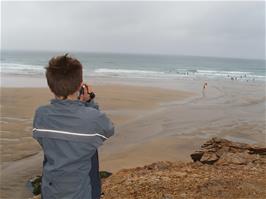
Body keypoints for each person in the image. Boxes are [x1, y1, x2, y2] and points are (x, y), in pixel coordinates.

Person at [32, 54, 114, 199]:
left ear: (51, 87)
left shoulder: (41, 114)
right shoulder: (93, 118)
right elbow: (108, 130)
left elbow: (42, 139)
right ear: (80, 85)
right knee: (89, 148)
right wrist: (88, 103)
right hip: (83, 191)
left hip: (51, 188)